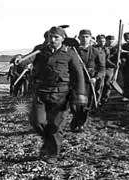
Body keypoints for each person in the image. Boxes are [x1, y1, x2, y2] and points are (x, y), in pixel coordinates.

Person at [29, 26, 87, 163]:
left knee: (55, 126)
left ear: (62, 39)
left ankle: (52, 154)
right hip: (41, 93)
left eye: (56, 37)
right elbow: (26, 61)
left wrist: (80, 94)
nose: (52, 39)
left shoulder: (70, 53)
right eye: (50, 37)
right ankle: (47, 141)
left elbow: (78, 74)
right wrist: (17, 59)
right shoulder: (40, 51)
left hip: (61, 95)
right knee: (37, 122)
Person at [70, 29, 105, 132]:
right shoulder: (72, 51)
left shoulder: (95, 52)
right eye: (82, 37)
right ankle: (76, 118)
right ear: (79, 38)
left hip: (88, 82)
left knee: (85, 105)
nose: (84, 39)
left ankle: (81, 123)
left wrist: (95, 78)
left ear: (91, 38)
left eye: (87, 37)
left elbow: (102, 68)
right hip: (74, 81)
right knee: (73, 104)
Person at [101, 35, 118, 104]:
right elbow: (105, 59)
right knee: (101, 84)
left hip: (110, 69)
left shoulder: (116, 48)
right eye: (109, 41)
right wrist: (113, 65)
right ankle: (99, 98)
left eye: (112, 41)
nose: (110, 43)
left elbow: (119, 57)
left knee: (108, 83)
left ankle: (105, 98)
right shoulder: (103, 48)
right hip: (103, 67)